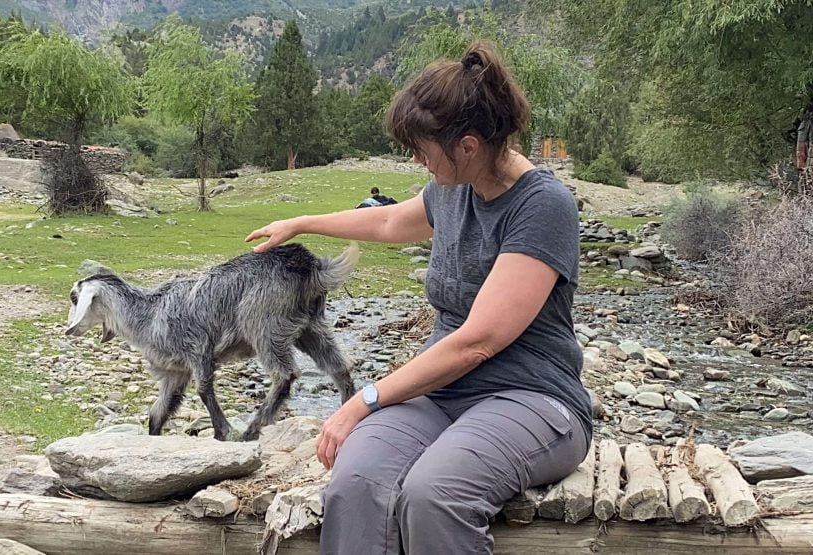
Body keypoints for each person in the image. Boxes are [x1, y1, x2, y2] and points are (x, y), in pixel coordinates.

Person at [245, 41, 591, 555]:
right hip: (444, 394)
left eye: (421, 147)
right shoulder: (453, 186)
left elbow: (477, 342)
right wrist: (301, 222)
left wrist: (362, 401)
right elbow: (387, 219)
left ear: (468, 146)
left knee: (435, 496)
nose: (415, 158)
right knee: (355, 482)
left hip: (532, 399)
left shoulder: (543, 206)